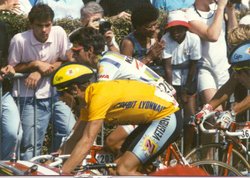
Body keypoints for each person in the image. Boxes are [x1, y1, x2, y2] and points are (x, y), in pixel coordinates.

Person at [52, 63, 181, 175]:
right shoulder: (89, 100)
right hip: (152, 120)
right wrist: (50, 164)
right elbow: (75, 138)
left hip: (167, 116)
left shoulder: (99, 97)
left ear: (74, 89)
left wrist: (63, 173)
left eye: (60, 93)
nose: (59, 99)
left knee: (124, 170)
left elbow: (86, 141)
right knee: (114, 169)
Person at [68, 27, 177, 157]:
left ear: (89, 50)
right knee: (118, 154)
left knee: (112, 142)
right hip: (156, 103)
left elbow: (97, 105)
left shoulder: (106, 66)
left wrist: (76, 136)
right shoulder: (107, 59)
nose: (73, 56)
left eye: (76, 51)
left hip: (163, 107)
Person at [7, 3, 76, 160]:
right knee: (31, 145)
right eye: (39, 26)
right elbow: (12, 69)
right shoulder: (19, 40)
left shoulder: (59, 32)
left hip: (56, 95)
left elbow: (66, 60)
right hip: (28, 99)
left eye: (48, 25)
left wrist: (40, 72)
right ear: (31, 24)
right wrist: (35, 64)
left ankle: (53, 165)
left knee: (69, 131)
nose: (44, 30)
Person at [186, 0, 238, 145]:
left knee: (221, 123)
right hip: (205, 69)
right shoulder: (190, 14)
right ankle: (207, 162)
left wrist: (231, 9)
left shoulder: (218, 9)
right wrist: (221, 7)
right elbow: (212, 36)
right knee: (214, 115)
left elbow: (234, 36)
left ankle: (220, 163)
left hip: (223, 68)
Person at [161, 10, 201, 154]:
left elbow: (193, 65)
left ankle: (188, 152)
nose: (176, 32)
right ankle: (169, 153)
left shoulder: (193, 39)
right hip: (172, 81)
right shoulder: (165, 39)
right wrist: (172, 92)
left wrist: (186, 91)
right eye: (173, 29)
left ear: (185, 28)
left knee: (190, 118)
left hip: (189, 80)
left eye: (180, 29)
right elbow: (168, 69)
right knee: (172, 119)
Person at [195, 40, 250, 129]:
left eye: (238, 72)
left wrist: (231, 113)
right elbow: (227, 88)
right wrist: (206, 109)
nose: (236, 76)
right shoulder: (240, 72)